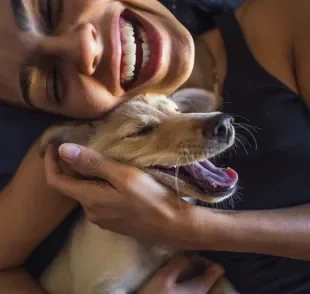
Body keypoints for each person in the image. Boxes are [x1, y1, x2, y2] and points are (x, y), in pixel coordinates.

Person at [1, 0, 310, 293]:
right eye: (54, 82)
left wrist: (191, 227)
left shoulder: (286, 21)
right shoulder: (78, 151)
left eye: (51, 7)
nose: (85, 47)